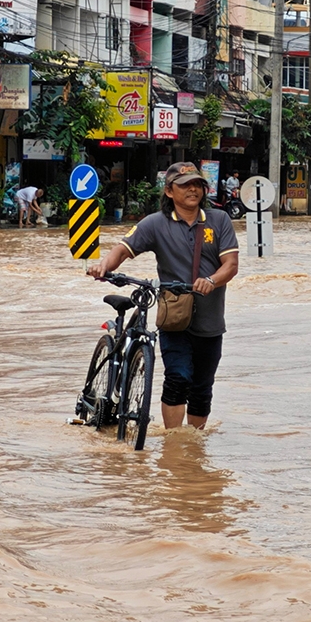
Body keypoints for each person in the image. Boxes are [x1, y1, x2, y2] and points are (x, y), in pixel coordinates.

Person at [87, 162, 240, 430]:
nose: (192, 189)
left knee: (203, 388)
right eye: (184, 185)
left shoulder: (219, 220)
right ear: (169, 191)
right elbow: (122, 250)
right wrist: (104, 266)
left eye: (197, 184)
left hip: (210, 318)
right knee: (177, 378)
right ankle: (174, 445)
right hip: (174, 316)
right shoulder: (155, 224)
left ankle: (194, 445)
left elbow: (231, 265)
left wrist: (211, 280)